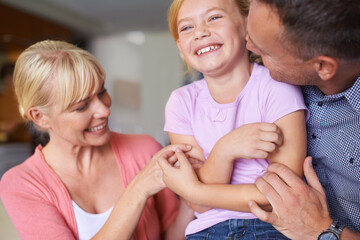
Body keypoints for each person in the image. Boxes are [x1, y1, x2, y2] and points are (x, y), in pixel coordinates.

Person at [0, 40, 193, 240]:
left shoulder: (144, 150)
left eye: (102, 92)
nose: (104, 110)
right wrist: (138, 190)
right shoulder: (23, 183)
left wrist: (190, 204)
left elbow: (171, 235)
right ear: (40, 117)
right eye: (82, 106)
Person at [160, 0, 307, 239]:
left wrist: (195, 190)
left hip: (272, 227)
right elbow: (199, 207)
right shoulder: (180, 102)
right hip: (205, 232)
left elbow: (281, 195)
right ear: (180, 46)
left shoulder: (277, 87)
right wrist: (225, 150)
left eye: (214, 18)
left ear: (247, 26)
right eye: (187, 28)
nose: (200, 32)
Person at [243, 0, 360, 239]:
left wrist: (319, 229)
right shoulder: (268, 84)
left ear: (322, 66)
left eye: (264, 51)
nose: (248, 45)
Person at [0, 62, 32, 142]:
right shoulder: (3, 97)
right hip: (10, 141)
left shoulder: (26, 96)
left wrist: (15, 123)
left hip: (26, 140)